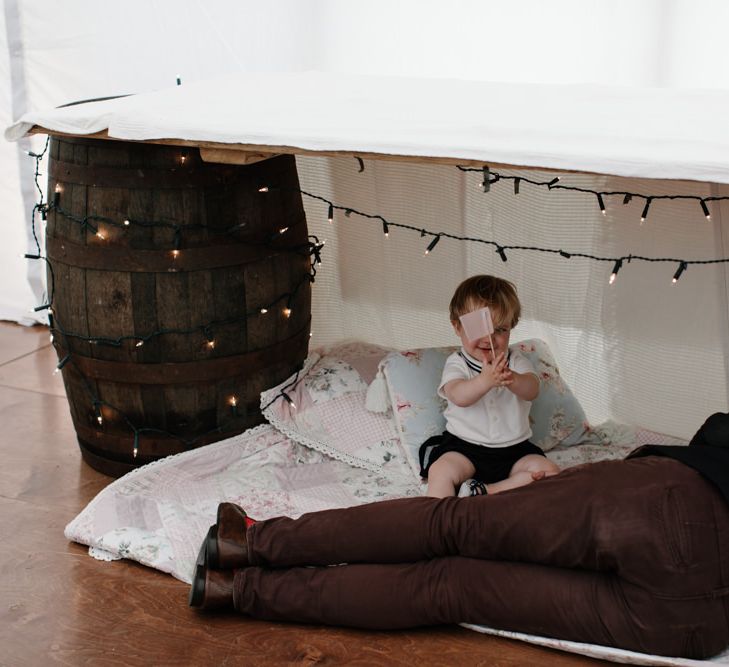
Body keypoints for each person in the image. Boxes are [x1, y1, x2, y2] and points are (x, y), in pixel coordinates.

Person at [189, 412, 729, 660]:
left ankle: (252, 544)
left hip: (682, 504)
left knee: (450, 524)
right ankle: (238, 592)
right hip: (694, 625)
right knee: (448, 588)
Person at [420, 275, 560, 497]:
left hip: (515, 450)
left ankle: (485, 490)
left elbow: (532, 390)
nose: (489, 338)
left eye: (500, 330)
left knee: (549, 471)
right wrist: (484, 381)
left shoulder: (514, 361)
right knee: (440, 470)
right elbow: (457, 395)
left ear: (511, 328)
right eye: (480, 329)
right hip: (465, 448)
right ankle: (439, 521)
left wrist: (512, 379)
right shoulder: (458, 363)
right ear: (457, 327)